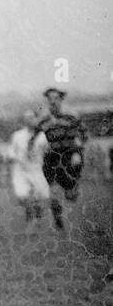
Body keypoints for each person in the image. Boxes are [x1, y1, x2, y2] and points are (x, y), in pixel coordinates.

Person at [38, 87, 87, 229]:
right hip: (51, 157)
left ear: (61, 99)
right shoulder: (43, 119)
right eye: (49, 98)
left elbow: (84, 134)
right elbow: (34, 136)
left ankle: (72, 188)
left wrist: (78, 150)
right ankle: (57, 217)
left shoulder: (72, 116)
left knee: (71, 195)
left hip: (69, 155)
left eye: (56, 98)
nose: (52, 101)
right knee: (52, 190)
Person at [6, 109, 52, 227]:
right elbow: (11, 150)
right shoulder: (17, 135)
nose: (28, 120)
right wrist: (14, 157)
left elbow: (48, 151)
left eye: (31, 117)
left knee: (41, 196)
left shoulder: (42, 136)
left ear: (36, 119)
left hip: (36, 169)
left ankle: (37, 216)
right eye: (26, 117)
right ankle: (30, 214)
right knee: (22, 196)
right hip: (20, 170)